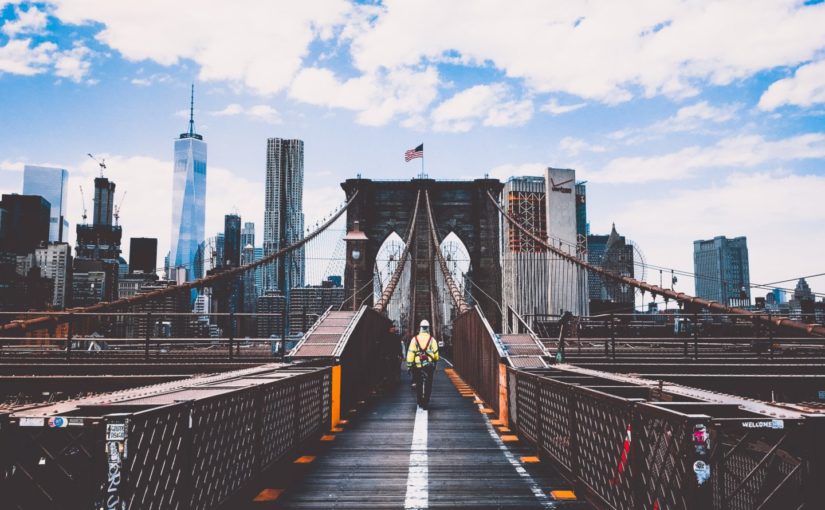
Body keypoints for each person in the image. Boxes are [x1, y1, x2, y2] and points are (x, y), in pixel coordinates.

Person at [406, 319, 439, 409]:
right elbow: (436, 354)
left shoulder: (414, 339)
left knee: (419, 383)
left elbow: (410, 353)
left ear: (420, 328)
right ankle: (426, 402)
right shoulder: (432, 340)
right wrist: (435, 361)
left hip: (417, 365)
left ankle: (420, 401)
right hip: (429, 365)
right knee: (428, 384)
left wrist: (409, 366)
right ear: (428, 328)